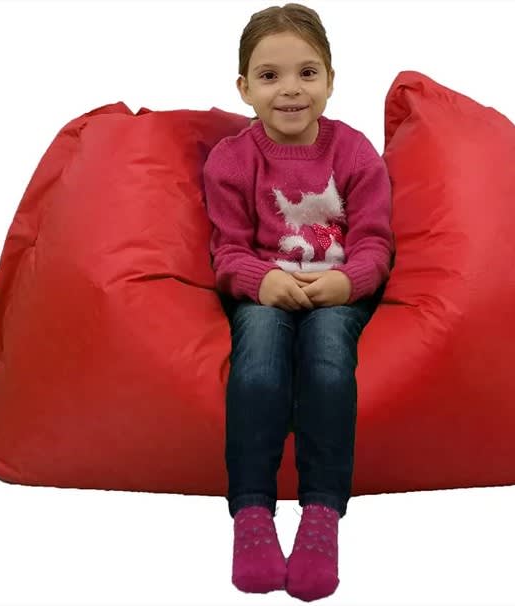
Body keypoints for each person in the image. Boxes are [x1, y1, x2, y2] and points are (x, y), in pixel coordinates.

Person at [202, 3, 394, 601]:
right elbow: (227, 250)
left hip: (338, 295)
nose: (290, 89)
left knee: (329, 360)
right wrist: (259, 281)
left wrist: (349, 282)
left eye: (308, 73)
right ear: (245, 88)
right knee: (258, 359)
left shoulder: (354, 153)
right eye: (270, 76)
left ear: (331, 81)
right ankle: (252, 513)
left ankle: (321, 515)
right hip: (264, 293)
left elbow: (375, 242)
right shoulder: (232, 160)